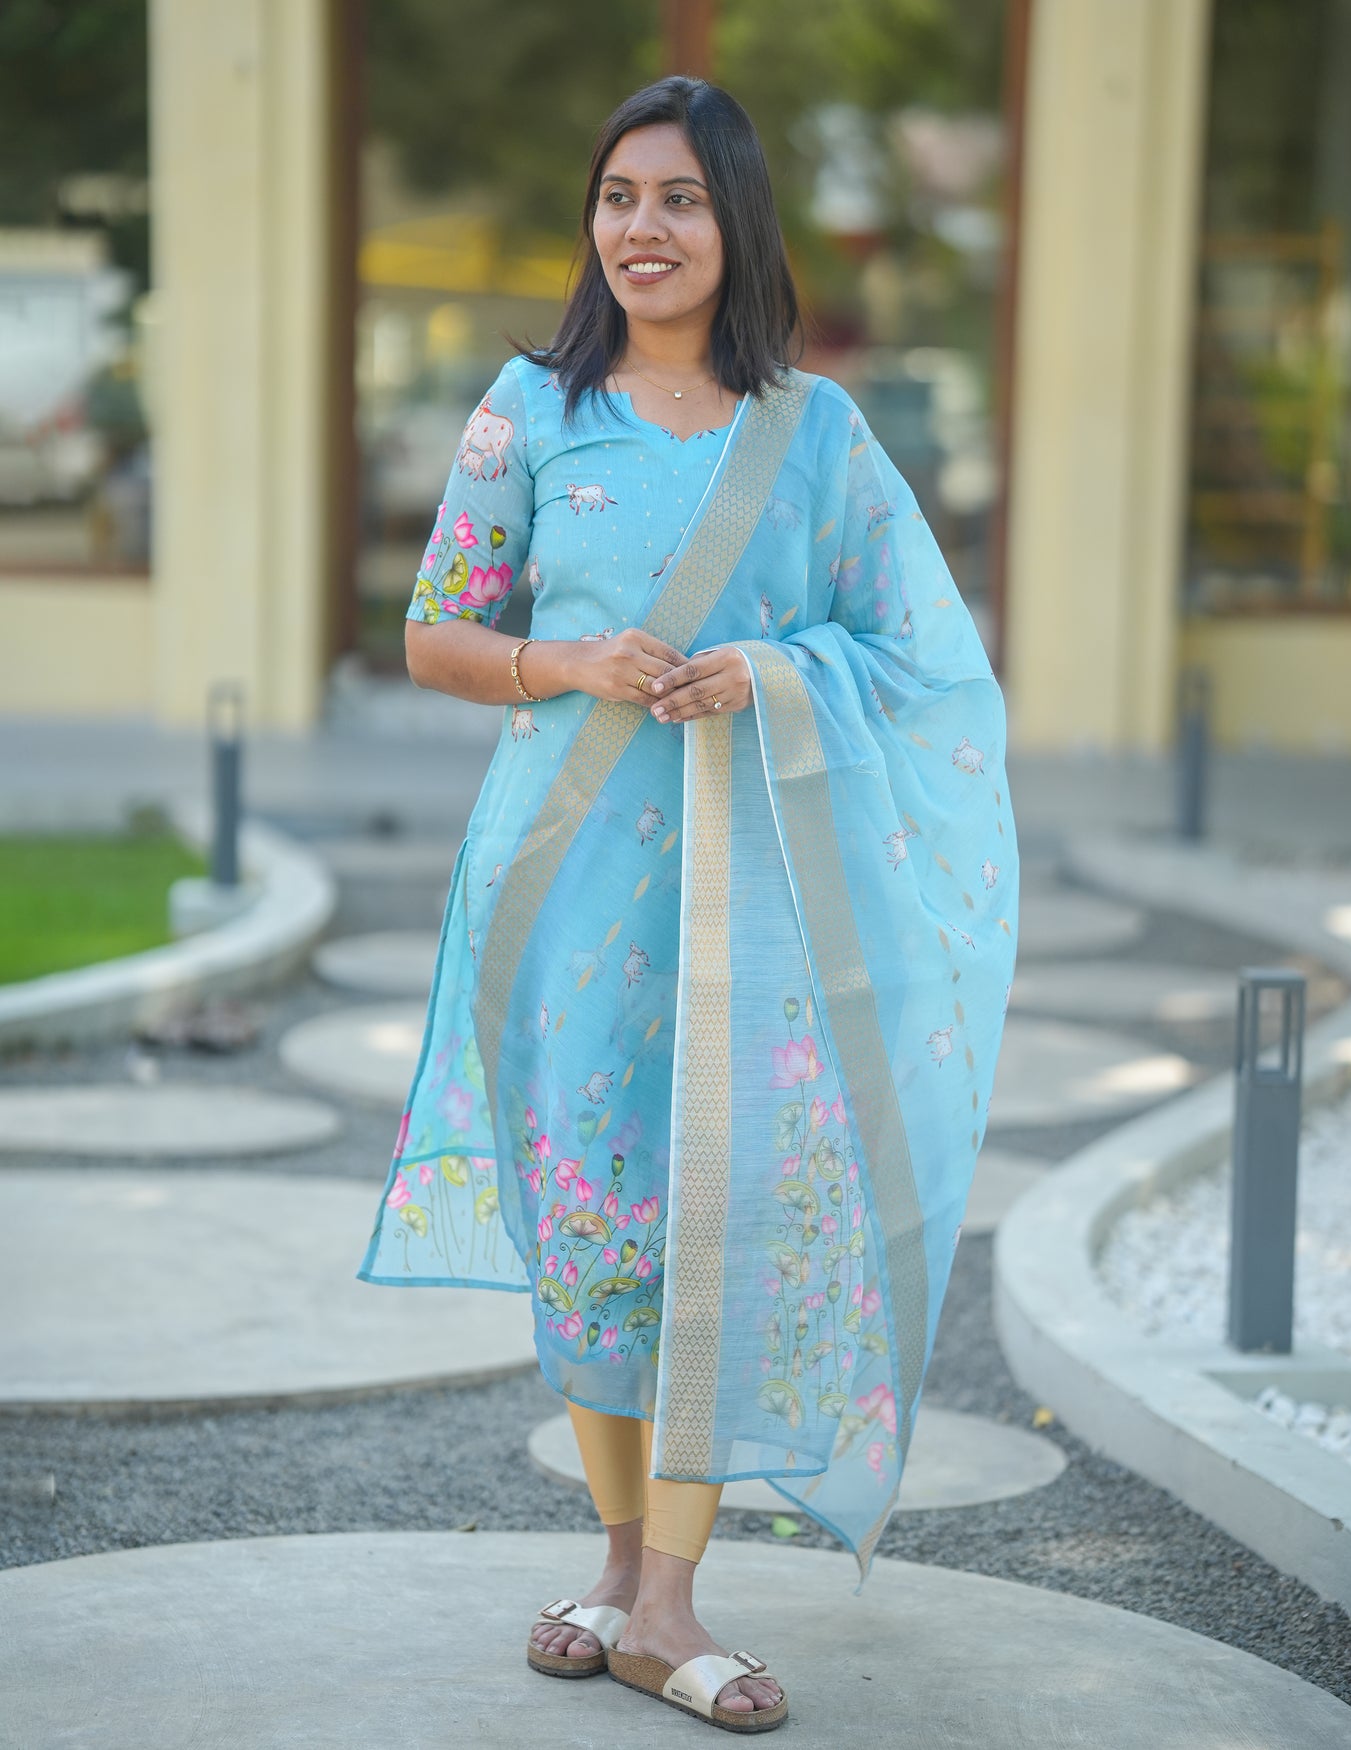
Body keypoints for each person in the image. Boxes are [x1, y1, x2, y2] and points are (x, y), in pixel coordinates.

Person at [358, 74, 1019, 1735]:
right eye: (618, 197)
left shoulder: (817, 434)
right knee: (593, 1228)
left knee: (720, 1220)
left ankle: (664, 1602)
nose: (640, 229)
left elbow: (924, 661)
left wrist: (776, 673)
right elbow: (434, 633)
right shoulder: (530, 408)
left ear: (738, 223)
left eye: (679, 200)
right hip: (559, 888)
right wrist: (567, 659)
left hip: (752, 912)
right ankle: (616, 1568)